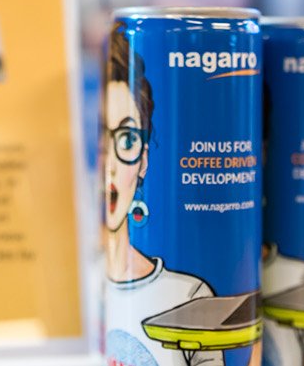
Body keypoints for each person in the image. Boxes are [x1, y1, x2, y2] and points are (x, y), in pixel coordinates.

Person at [103, 25, 224, 366]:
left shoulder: (189, 298)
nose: (110, 164)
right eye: (101, 137)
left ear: (142, 161)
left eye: (126, 139)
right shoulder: (81, 287)